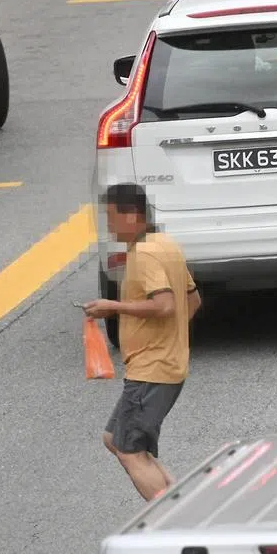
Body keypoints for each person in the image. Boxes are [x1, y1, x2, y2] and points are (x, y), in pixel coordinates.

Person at [82, 183, 200, 501]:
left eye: (111, 217)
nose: (108, 226)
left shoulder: (145, 254)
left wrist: (113, 307)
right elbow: (193, 300)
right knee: (114, 438)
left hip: (152, 371)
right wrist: (168, 337)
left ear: (132, 215)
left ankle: (174, 521)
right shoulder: (165, 244)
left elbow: (164, 305)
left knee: (129, 450)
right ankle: (179, 501)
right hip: (164, 365)